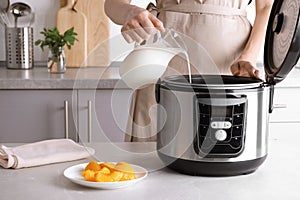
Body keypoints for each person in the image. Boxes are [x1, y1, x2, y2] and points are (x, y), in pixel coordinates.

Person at [105, 0, 273, 142]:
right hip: (162, 58)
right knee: (152, 155)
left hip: (227, 65)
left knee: (222, 146)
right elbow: (112, 4)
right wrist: (129, 12)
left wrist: (249, 57)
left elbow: (266, 6)